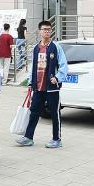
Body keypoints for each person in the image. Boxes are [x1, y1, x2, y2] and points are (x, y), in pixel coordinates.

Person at [15, 20, 67, 149]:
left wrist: (57, 78)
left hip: (51, 88)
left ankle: (56, 139)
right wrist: (30, 82)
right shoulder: (36, 48)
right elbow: (33, 66)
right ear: (40, 31)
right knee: (34, 112)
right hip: (38, 87)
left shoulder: (56, 47)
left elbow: (63, 65)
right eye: (44, 29)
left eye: (49, 29)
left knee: (54, 113)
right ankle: (28, 137)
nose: (47, 32)